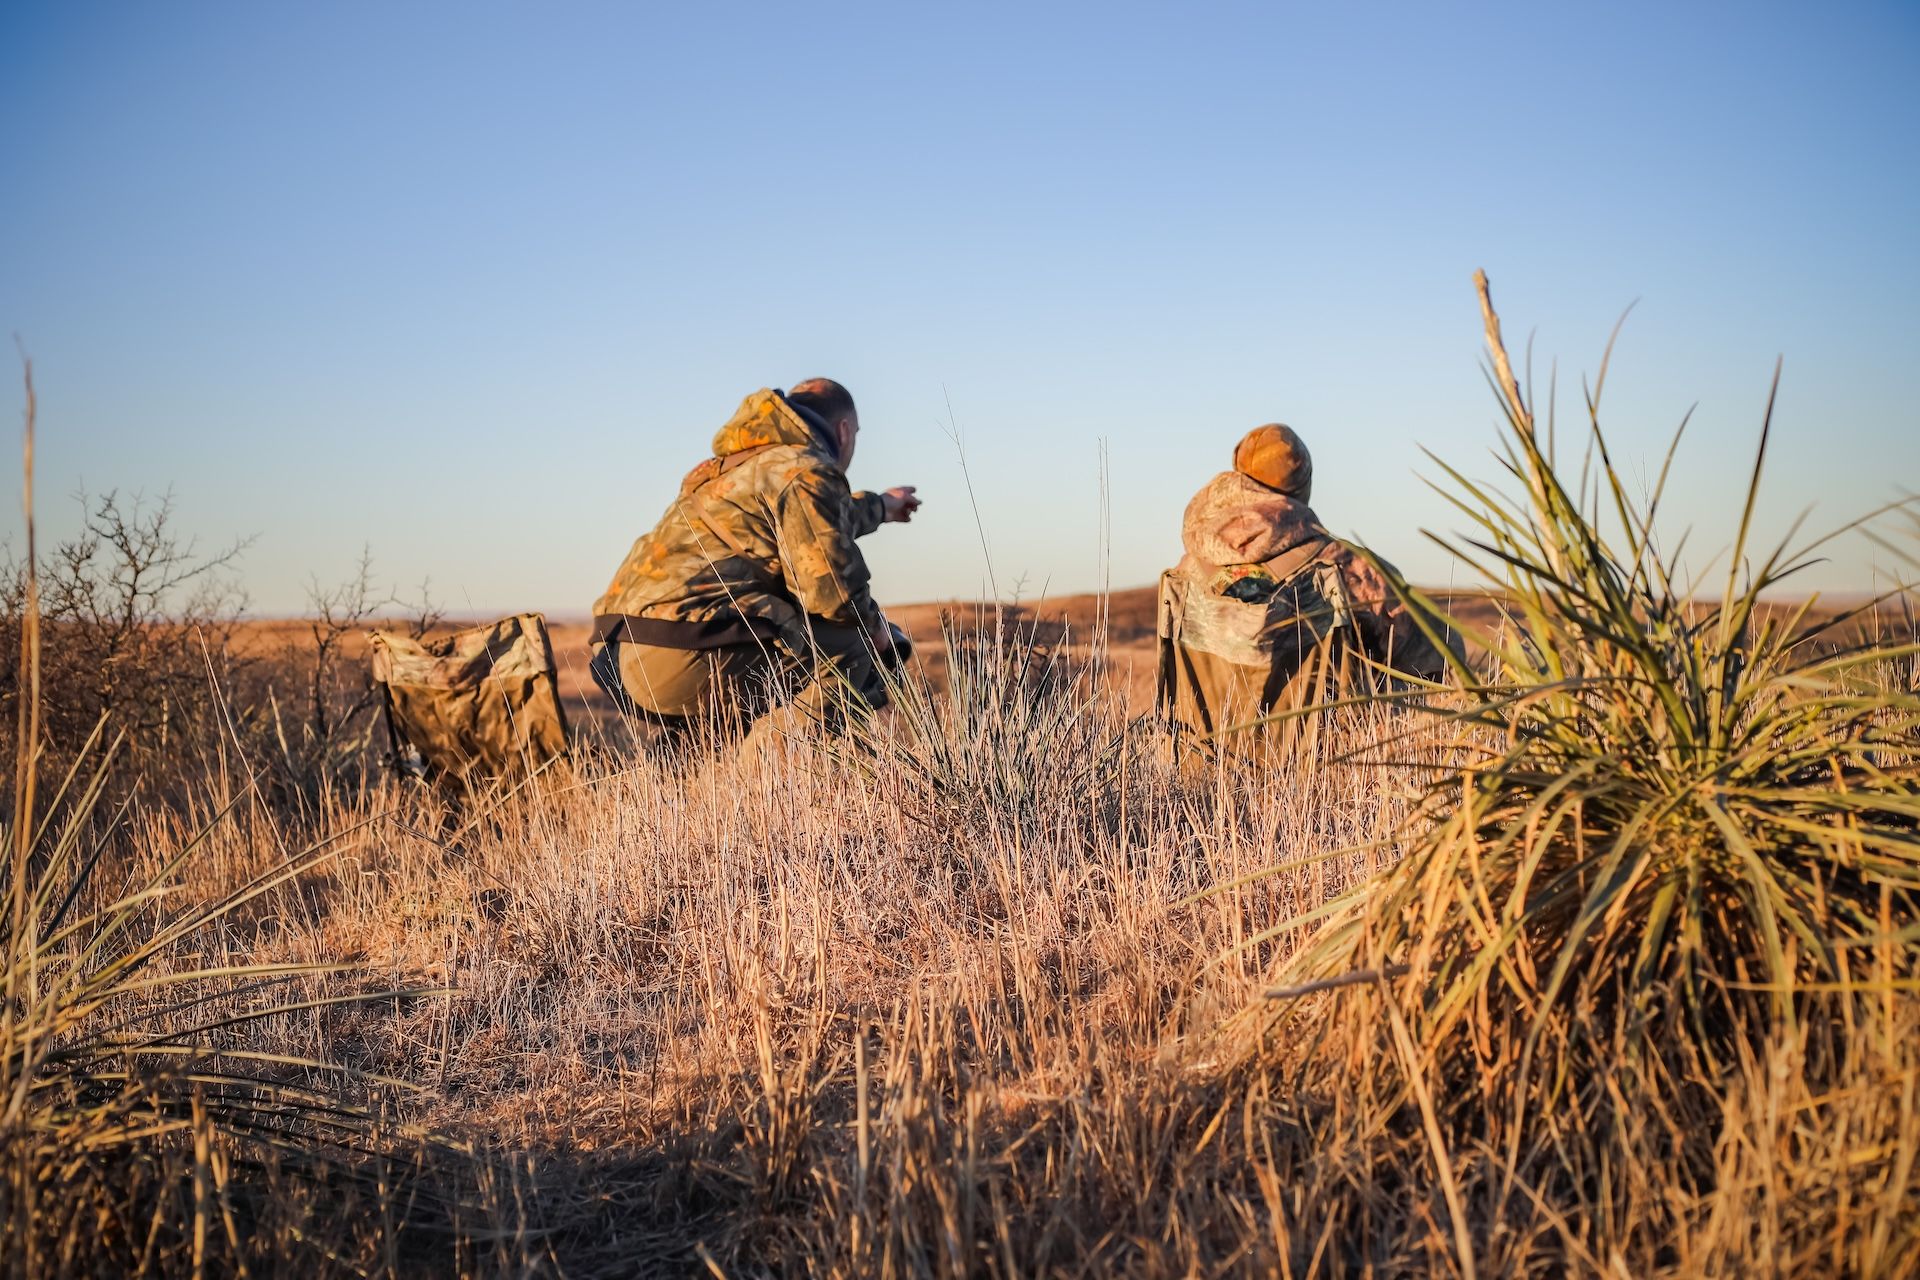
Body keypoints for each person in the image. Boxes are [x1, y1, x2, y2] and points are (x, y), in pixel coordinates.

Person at [589, 379, 921, 753]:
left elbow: (813, 522)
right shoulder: (804, 471)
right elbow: (834, 594)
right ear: (844, 431)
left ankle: (684, 772)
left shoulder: (739, 466)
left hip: (621, 654)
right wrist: (877, 630)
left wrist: (882, 506)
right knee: (853, 644)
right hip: (678, 655)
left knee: (774, 648)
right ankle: (771, 779)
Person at [1158, 423, 1453, 750]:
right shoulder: (1346, 565)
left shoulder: (1187, 572)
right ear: (1303, 487)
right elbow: (1442, 658)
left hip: (1195, 772)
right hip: (1318, 779)